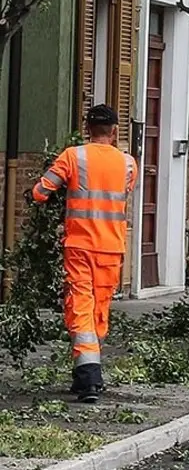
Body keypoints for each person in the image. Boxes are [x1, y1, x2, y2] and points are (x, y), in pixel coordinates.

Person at [32, 105, 138, 402]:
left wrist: (39, 193)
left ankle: (88, 375)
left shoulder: (72, 156)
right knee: (99, 310)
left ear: (87, 128)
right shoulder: (129, 164)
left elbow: (42, 192)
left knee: (79, 305)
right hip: (112, 248)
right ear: (115, 131)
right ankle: (89, 371)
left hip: (79, 246)